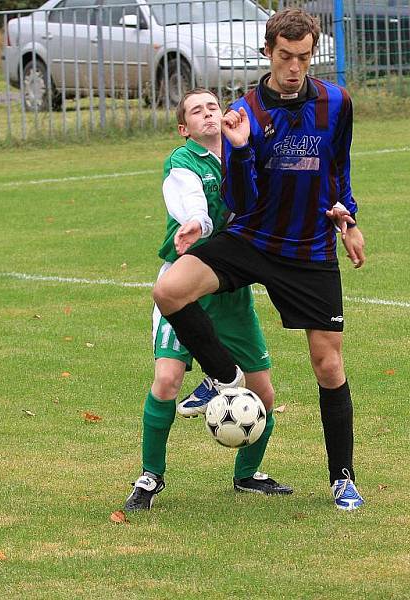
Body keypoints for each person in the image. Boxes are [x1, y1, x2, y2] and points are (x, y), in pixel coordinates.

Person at [151, 8, 367, 511]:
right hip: (250, 238)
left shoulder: (337, 102)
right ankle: (225, 377)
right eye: (286, 56)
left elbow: (339, 169)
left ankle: (342, 477)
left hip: (309, 247)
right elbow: (241, 201)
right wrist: (242, 149)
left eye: (305, 57)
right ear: (268, 52)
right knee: (170, 290)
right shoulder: (243, 111)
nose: (295, 67)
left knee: (327, 364)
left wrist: (348, 218)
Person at [125, 88, 293, 512]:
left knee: (264, 394)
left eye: (213, 107)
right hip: (185, 286)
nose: (207, 115)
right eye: (196, 111)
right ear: (185, 128)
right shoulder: (183, 162)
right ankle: (150, 476)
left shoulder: (245, 152)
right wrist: (196, 223)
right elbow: (189, 199)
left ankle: (247, 475)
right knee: (166, 381)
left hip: (232, 290)